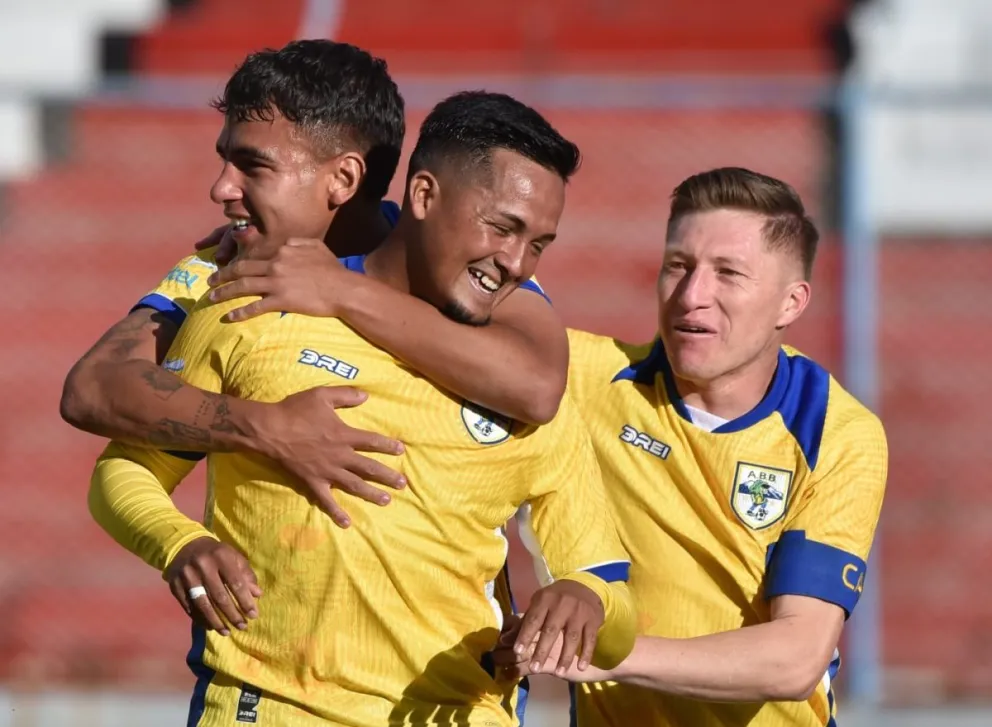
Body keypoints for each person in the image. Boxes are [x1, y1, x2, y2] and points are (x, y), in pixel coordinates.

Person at [88, 90, 636, 727]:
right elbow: (125, 469)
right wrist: (180, 544)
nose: (516, 263)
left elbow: (605, 589)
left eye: (539, 244)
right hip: (267, 708)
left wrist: (585, 601)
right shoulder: (258, 305)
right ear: (423, 196)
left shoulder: (525, 381)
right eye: (502, 227)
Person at [60, 39, 569, 528]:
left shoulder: (455, 260)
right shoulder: (223, 266)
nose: (221, 188)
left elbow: (535, 385)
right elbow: (92, 388)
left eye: (253, 166)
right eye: (225, 160)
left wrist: (339, 290)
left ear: (343, 179)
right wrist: (264, 427)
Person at [497, 167, 889, 727]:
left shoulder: (834, 431)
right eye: (678, 266)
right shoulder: (584, 380)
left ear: (790, 303)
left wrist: (597, 649)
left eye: (728, 273)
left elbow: (796, 658)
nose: (691, 296)